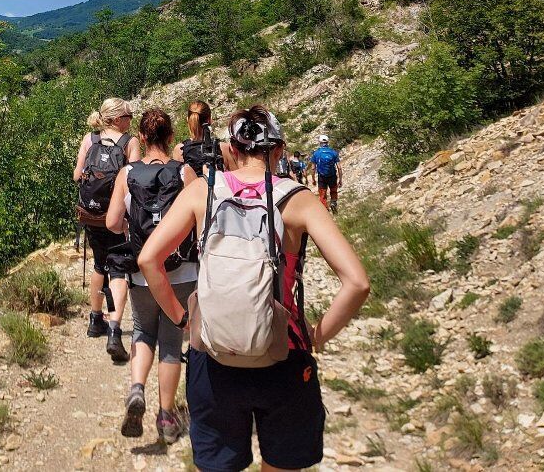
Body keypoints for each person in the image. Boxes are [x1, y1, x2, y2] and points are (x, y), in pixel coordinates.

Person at [139, 106, 370, 472]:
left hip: (213, 354)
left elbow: (149, 259)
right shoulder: (299, 199)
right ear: (278, 150)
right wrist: (316, 336)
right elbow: (357, 282)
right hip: (284, 353)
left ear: (232, 147)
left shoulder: (203, 191)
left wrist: (183, 319)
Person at [107, 108, 196, 444]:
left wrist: (133, 226)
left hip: (144, 271)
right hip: (183, 269)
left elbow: (114, 222)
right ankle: (166, 417)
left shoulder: (127, 174)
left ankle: (136, 389)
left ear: (141, 138)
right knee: (172, 342)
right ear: (170, 137)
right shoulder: (185, 172)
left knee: (144, 330)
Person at [74, 98, 141, 362]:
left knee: (99, 265)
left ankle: (95, 320)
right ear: (116, 118)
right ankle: (115, 330)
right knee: (119, 269)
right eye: (128, 115)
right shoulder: (129, 143)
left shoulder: (90, 139)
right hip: (116, 218)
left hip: (89, 215)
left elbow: (77, 175)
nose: (130, 119)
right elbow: (133, 183)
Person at [173, 100, 236, 172]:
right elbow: (235, 177)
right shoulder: (223, 148)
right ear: (209, 120)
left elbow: (178, 180)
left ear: (188, 120)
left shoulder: (179, 150)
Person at [310, 135, 343, 214]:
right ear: (327, 142)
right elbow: (339, 167)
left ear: (320, 143)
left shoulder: (316, 153)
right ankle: (333, 203)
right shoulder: (333, 152)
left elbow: (313, 168)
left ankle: (325, 211)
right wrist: (340, 179)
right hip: (332, 176)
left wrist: (313, 179)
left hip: (322, 177)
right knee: (333, 191)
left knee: (322, 195)